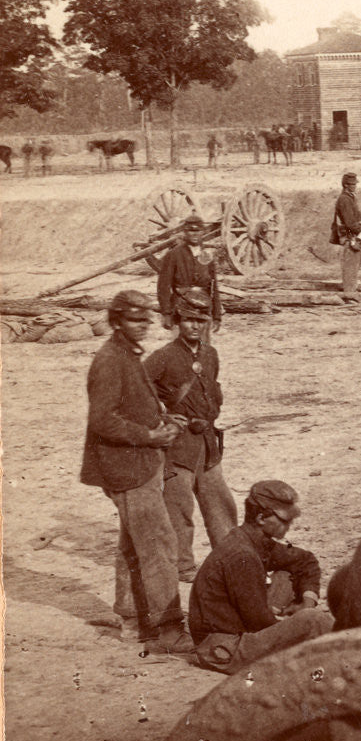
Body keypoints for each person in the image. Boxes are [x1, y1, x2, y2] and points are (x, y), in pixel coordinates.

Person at [80, 290, 194, 653]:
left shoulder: (127, 354)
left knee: (133, 543)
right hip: (128, 468)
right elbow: (102, 420)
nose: (144, 325)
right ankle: (168, 630)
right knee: (159, 544)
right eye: (134, 319)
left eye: (147, 319)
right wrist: (148, 435)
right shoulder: (110, 360)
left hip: (136, 465)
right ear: (116, 322)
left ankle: (131, 620)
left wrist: (161, 418)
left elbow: (130, 405)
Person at [188, 480, 332, 674]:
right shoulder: (242, 555)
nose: (289, 526)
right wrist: (292, 622)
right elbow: (258, 622)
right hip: (225, 647)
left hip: (242, 627)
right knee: (314, 621)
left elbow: (305, 561)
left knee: (288, 574)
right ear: (262, 518)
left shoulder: (254, 540)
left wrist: (308, 601)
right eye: (285, 521)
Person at [145, 288, 236, 582]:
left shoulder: (211, 355)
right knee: (179, 507)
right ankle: (183, 565)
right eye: (188, 320)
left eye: (201, 320)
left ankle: (231, 560)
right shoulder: (162, 357)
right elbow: (134, 393)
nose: (195, 326)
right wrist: (162, 416)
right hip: (180, 444)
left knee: (220, 504)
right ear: (176, 321)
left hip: (207, 442)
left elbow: (212, 389)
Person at [157, 213, 222, 331]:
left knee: (202, 346)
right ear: (184, 232)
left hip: (203, 309)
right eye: (190, 231)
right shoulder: (173, 255)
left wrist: (217, 316)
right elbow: (163, 285)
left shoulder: (207, 255)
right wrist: (166, 313)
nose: (195, 234)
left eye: (198, 231)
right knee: (181, 346)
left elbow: (213, 287)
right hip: (181, 309)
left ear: (203, 232)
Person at [329, 172, 361, 302]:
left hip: (353, 234)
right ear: (346, 185)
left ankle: (350, 291)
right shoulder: (344, 199)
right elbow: (349, 222)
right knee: (350, 264)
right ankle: (349, 294)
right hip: (350, 235)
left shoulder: (349, 197)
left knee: (354, 263)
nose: (355, 186)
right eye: (352, 184)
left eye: (355, 184)